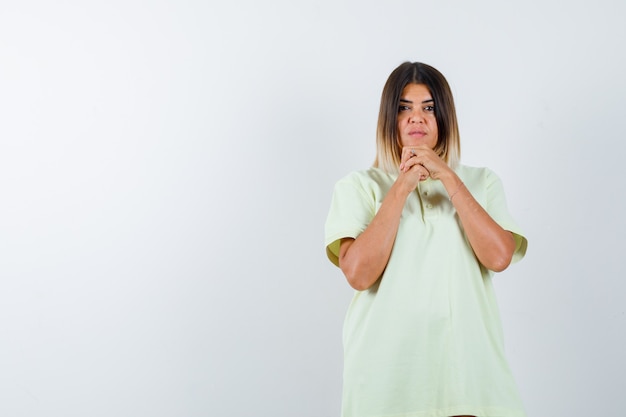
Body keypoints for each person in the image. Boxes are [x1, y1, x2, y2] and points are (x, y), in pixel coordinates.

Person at [324, 62, 528, 417]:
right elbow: (358, 274)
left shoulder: (483, 182)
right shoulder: (360, 186)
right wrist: (403, 184)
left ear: (444, 117)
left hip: (469, 378)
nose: (417, 118)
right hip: (386, 379)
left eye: (429, 108)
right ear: (390, 118)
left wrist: (447, 176)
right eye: (404, 108)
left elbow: (499, 257)